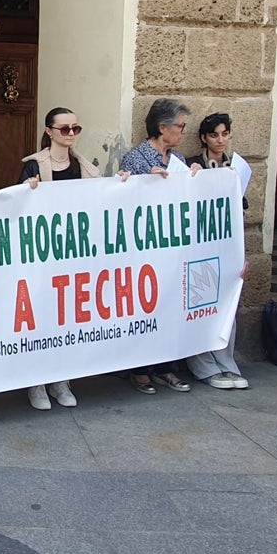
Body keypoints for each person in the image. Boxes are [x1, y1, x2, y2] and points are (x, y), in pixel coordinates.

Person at [18, 106, 98, 410]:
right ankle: (36, 382)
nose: (70, 134)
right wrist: (27, 192)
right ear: (49, 131)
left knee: (67, 318)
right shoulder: (32, 167)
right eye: (64, 129)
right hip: (41, 257)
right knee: (41, 318)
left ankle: (62, 379)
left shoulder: (86, 168)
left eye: (75, 128)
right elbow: (18, 208)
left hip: (73, 256)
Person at [118, 98, 196, 395]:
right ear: (162, 128)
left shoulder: (178, 159)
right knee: (143, 308)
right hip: (143, 249)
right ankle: (140, 371)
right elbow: (124, 199)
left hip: (172, 250)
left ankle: (166, 368)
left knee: (169, 308)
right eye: (180, 126)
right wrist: (146, 184)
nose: (183, 132)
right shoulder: (136, 158)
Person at [183, 113, 249, 390]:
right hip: (198, 247)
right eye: (214, 135)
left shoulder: (236, 167)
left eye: (225, 134)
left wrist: (243, 254)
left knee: (226, 306)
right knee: (197, 305)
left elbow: (239, 212)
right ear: (203, 138)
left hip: (226, 248)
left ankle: (226, 362)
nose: (220, 140)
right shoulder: (190, 165)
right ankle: (204, 366)